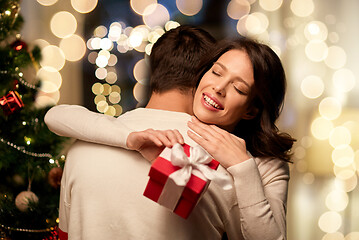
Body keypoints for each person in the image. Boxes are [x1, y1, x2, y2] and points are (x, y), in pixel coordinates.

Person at [46, 35, 295, 239]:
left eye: (239, 88)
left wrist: (243, 167)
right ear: (199, 75)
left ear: (252, 109)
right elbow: (56, 116)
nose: (219, 88)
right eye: (216, 72)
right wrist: (131, 137)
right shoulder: (114, 137)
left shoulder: (248, 168)